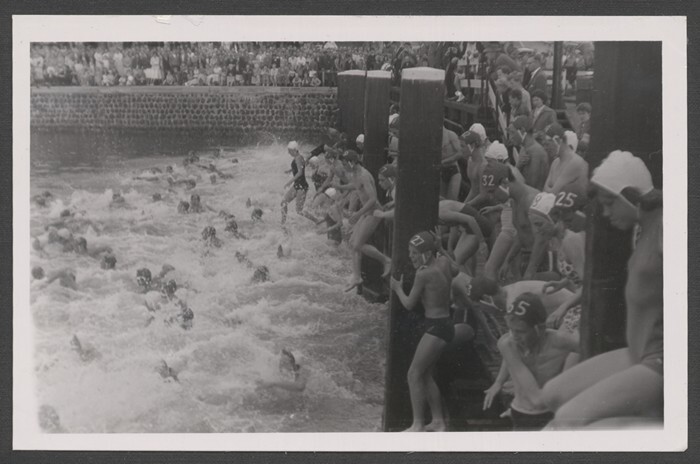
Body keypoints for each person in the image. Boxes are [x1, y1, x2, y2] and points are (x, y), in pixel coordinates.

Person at [542, 150, 663, 429]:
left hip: (661, 360)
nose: (606, 214)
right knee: (551, 394)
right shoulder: (639, 230)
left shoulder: (666, 227)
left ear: (631, 197)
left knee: (567, 419)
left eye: (610, 203)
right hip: (639, 350)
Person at [483, 292, 579, 430]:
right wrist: (499, 382)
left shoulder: (561, 341)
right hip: (524, 412)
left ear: (540, 328)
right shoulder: (508, 344)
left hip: (553, 411)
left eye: (520, 332)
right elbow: (536, 399)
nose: (514, 336)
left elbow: (598, 351)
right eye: (511, 330)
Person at [390, 231, 453, 432]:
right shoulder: (443, 263)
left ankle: (417, 424)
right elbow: (456, 269)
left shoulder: (423, 274)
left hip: (436, 327)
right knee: (425, 375)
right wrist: (441, 248)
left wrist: (397, 288)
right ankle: (438, 421)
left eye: (415, 253)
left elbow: (409, 304)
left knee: (413, 374)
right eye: (410, 252)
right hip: (445, 324)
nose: (411, 257)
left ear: (426, 253)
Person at [344, 152, 391, 290]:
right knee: (352, 243)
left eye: (345, 163)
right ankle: (357, 277)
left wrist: (358, 214)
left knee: (357, 245)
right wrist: (340, 189)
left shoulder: (363, 175)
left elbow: (373, 199)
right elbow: (355, 187)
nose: (344, 166)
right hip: (366, 213)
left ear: (352, 162)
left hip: (373, 213)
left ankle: (386, 260)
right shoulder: (354, 174)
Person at [542, 123, 589, 195]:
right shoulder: (555, 162)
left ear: (557, 140)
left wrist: (549, 189)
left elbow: (553, 193)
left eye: (547, 144)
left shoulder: (575, 163)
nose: (545, 148)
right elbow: (544, 191)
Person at [509, 116, 549, 191]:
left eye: (512, 132)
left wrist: (517, 168)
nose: (510, 137)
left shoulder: (536, 152)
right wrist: (518, 166)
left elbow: (531, 187)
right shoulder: (524, 148)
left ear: (522, 130)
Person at [281, 141, 311, 225]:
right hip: (297, 185)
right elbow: (302, 166)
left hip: (302, 186)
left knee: (299, 211)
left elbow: (300, 172)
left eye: (289, 151)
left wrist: (289, 182)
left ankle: (317, 221)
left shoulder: (298, 158)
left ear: (294, 150)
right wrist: (290, 170)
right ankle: (283, 223)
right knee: (283, 203)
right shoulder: (299, 157)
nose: (288, 153)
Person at [441, 127, 463, 201]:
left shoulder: (450, 134)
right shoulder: (433, 136)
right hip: (441, 171)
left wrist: (445, 161)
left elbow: (460, 153)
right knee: (442, 201)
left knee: (451, 199)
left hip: (453, 170)